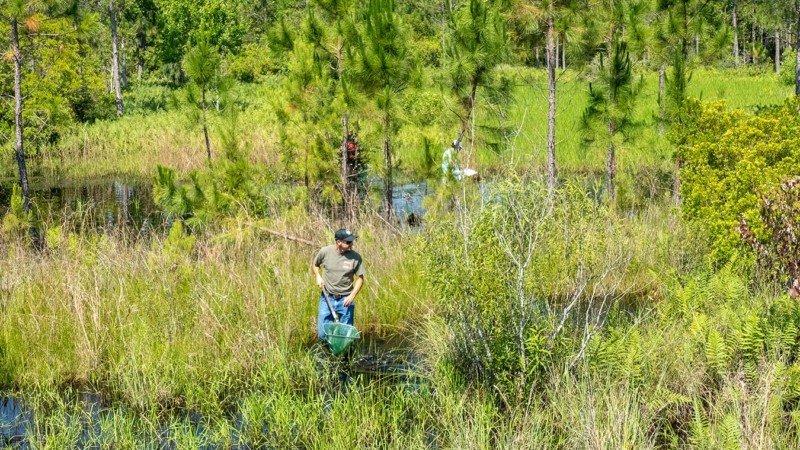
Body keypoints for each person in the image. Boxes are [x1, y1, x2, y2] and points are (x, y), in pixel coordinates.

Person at [312, 228, 365, 340]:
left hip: (345, 300)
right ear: (338, 242)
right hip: (327, 298)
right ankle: (329, 353)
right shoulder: (325, 251)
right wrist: (318, 276)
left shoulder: (356, 257)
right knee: (322, 334)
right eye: (348, 242)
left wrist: (352, 296)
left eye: (352, 241)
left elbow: (360, 278)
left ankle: (344, 354)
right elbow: (315, 264)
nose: (351, 244)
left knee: (346, 336)